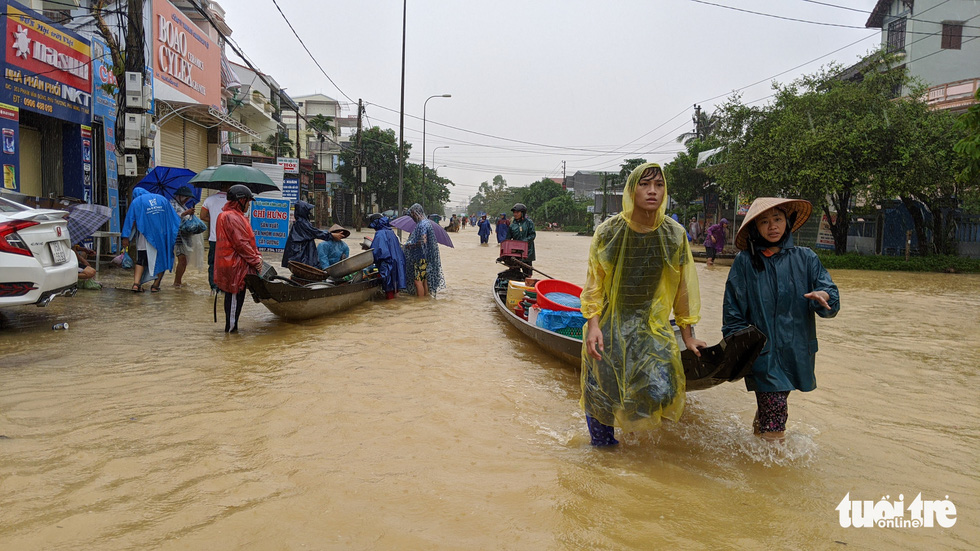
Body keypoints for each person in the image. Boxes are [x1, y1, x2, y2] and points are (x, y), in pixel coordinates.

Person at [580, 162, 706, 447]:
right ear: (631, 190)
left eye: (659, 185)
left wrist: (688, 335)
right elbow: (594, 284)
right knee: (600, 393)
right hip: (610, 324)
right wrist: (594, 326)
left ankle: (634, 444)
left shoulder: (674, 235)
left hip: (651, 327)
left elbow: (682, 288)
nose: (652, 191)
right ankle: (603, 458)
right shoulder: (608, 231)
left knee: (663, 388)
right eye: (645, 185)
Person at [721, 197, 840, 442]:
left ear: (788, 221)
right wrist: (740, 349)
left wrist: (824, 296)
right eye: (764, 221)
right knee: (776, 419)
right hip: (762, 355)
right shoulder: (745, 262)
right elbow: (732, 312)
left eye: (777, 219)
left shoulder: (806, 258)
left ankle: (756, 447)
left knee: (772, 407)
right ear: (755, 228)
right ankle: (770, 473)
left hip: (796, 352)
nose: (772, 226)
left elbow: (829, 293)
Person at [214, 185, 263, 333]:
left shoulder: (233, 216)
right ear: (240, 200)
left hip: (235, 265)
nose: (248, 205)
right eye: (247, 201)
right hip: (234, 266)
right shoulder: (231, 217)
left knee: (235, 300)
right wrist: (256, 261)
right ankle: (230, 336)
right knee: (234, 301)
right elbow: (241, 243)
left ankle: (232, 332)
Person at [122, 187, 180, 293]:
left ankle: (136, 284)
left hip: (145, 236)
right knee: (162, 259)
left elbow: (131, 220)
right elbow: (173, 218)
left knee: (141, 260)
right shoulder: (162, 199)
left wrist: (126, 237)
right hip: (162, 237)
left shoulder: (137, 202)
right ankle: (155, 285)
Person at [403, 203, 445, 297]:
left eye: (412, 215)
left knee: (417, 281)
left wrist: (410, 244)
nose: (412, 217)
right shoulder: (427, 223)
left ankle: (420, 302)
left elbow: (423, 240)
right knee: (425, 280)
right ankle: (426, 301)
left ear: (415, 213)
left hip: (420, 258)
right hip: (427, 257)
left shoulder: (422, 225)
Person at [281, 200, 332, 268]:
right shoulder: (302, 223)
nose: (309, 213)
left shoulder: (302, 222)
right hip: (300, 253)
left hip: (301, 251)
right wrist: (330, 235)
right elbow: (315, 232)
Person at [368, 213, 407, 299]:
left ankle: (390, 306)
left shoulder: (379, 234)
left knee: (389, 288)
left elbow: (378, 251)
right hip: (397, 262)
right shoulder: (391, 232)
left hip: (387, 263)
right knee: (396, 287)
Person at [200, 184, 229, 293]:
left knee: (213, 264)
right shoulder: (232, 201)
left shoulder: (209, 200)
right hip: (227, 240)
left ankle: (214, 287)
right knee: (226, 264)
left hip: (213, 239)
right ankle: (224, 287)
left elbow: (202, 216)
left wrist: (214, 221)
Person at [169, 186, 196, 288]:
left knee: (184, 260)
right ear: (180, 196)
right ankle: (177, 282)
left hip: (185, 236)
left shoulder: (183, 205)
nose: (187, 199)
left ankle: (178, 282)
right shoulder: (172, 204)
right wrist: (186, 213)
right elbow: (173, 218)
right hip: (178, 236)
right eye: (186, 197)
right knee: (182, 259)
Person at [508, 203, 536, 278]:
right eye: (514, 212)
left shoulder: (529, 223)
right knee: (514, 273)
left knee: (527, 274)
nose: (515, 214)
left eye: (517, 212)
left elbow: (532, 235)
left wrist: (523, 242)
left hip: (527, 252)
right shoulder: (512, 225)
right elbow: (508, 240)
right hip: (516, 254)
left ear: (522, 213)